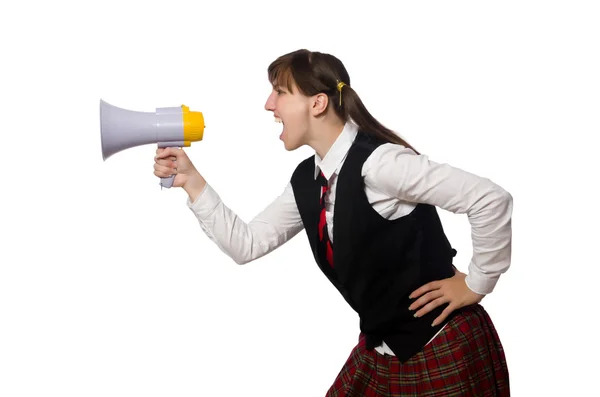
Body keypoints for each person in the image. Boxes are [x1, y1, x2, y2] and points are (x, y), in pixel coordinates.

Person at [154, 49, 512, 396]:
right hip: (382, 353)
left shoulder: (381, 164)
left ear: (317, 103)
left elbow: (489, 199)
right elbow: (246, 244)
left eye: (280, 92)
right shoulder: (308, 182)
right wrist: (192, 181)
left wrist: (477, 283)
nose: (268, 104)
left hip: (442, 346)